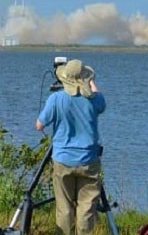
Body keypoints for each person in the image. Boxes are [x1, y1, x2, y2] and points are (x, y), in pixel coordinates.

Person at [36, 59, 107, 235]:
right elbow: (100, 100)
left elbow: (39, 125)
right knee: (87, 207)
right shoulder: (95, 100)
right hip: (89, 160)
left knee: (64, 207)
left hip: (62, 160)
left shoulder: (56, 98)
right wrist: (89, 82)